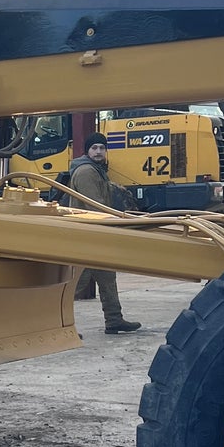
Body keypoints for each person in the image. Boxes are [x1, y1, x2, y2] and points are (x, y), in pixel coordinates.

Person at [67, 133, 141, 334]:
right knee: (75, 284)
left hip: (98, 235)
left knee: (107, 278)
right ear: (87, 151)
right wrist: (116, 223)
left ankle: (114, 320)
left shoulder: (97, 170)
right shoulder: (86, 172)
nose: (98, 151)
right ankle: (55, 324)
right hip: (88, 236)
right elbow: (96, 206)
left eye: (102, 147)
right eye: (94, 148)